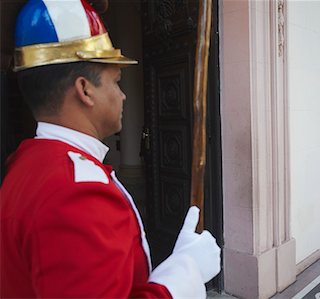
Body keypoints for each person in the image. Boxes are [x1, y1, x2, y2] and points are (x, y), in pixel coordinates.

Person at [0, 0, 221, 298]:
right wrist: (186, 273)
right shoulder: (75, 192)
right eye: (115, 81)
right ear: (85, 90)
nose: (123, 95)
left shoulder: (27, 163)